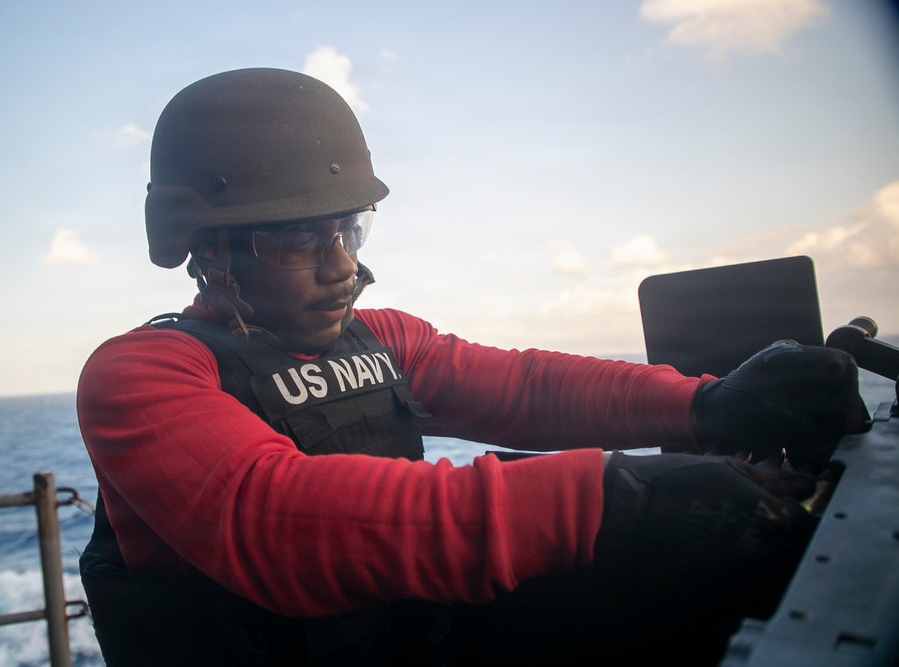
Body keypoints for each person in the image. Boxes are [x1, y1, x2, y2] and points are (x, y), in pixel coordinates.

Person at [77, 68, 865, 666]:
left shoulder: (381, 338)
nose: (342, 265)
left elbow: (524, 387)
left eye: (349, 229)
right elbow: (273, 520)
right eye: (297, 239)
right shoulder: (141, 375)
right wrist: (609, 498)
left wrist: (708, 405)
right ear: (210, 248)